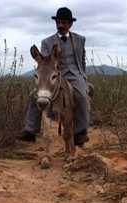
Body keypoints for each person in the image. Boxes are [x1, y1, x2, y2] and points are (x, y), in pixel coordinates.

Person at [18, 7, 90, 146]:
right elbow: (44, 62)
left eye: (64, 22)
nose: (60, 25)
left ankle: (80, 132)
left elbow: (82, 60)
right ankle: (30, 130)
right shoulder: (47, 42)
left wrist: (83, 76)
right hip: (54, 74)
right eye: (58, 22)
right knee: (34, 95)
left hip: (74, 74)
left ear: (70, 24)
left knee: (81, 95)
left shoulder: (80, 40)